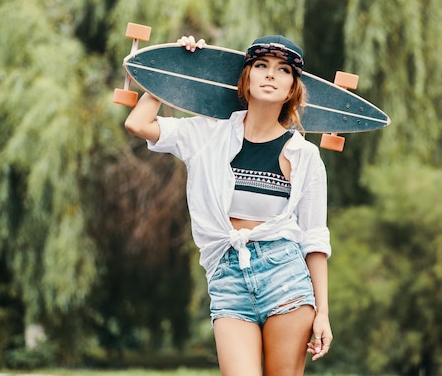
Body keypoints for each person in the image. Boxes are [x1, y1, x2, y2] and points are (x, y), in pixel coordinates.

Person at [124, 33, 333, 376]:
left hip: (285, 277)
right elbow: (138, 123)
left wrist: (322, 312)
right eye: (261, 66)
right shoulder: (207, 135)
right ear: (246, 78)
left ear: (293, 87)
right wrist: (176, 68)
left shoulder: (305, 155)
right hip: (228, 278)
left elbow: (314, 238)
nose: (270, 74)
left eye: (283, 70)